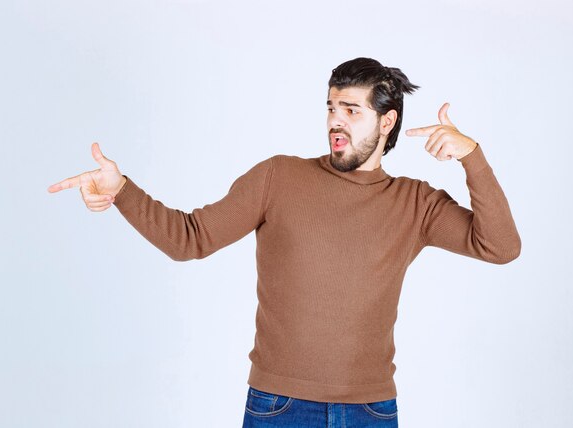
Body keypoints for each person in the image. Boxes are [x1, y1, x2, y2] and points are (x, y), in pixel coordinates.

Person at [48, 57, 521, 427]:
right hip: (279, 407)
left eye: (352, 111)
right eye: (331, 108)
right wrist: (123, 191)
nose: (336, 121)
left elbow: (500, 246)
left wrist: (472, 158)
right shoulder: (279, 177)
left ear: (387, 122)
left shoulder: (415, 203)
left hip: (371, 412)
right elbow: (189, 239)